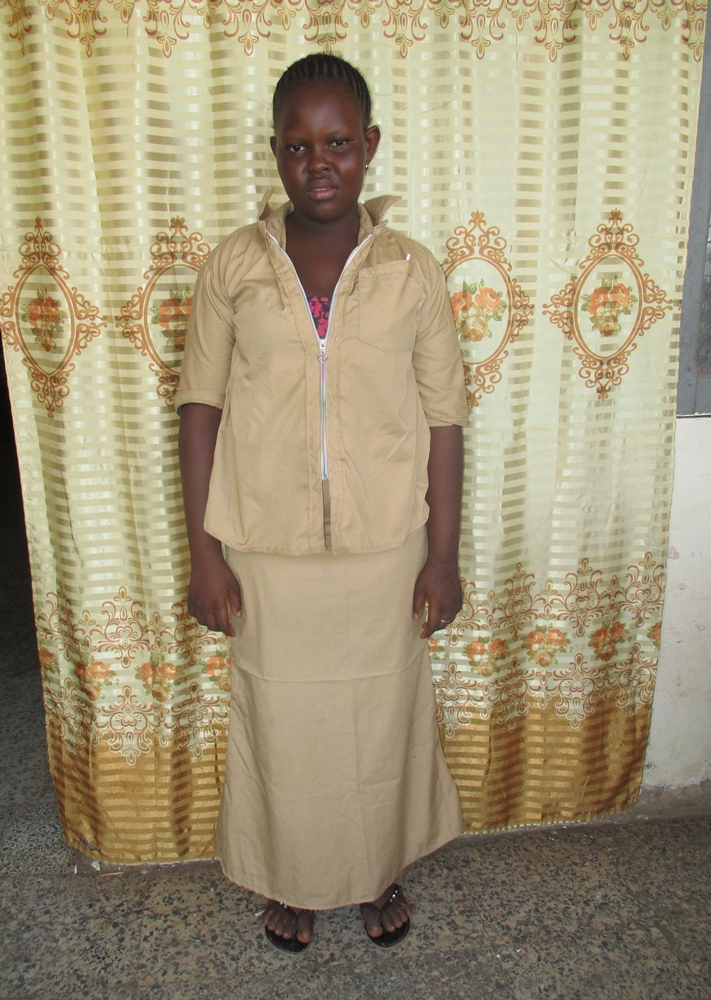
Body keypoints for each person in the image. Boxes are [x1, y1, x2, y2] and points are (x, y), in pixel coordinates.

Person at [177, 53, 469, 953]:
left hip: (385, 546)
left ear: (369, 145)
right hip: (267, 547)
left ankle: (374, 869)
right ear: (274, 153)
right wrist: (205, 555)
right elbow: (199, 407)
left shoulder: (411, 270)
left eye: (337, 143)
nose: (319, 164)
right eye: (298, 146)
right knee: (285, 723)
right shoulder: (234, 266)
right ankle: (293, 877)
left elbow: (446, 417)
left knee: (378, 719)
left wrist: (443, 557)